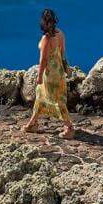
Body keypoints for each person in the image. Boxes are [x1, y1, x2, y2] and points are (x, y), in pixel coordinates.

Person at [23, 8, 75, 138]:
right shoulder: (60, 34)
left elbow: (44, 60)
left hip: (49, 74)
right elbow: (63, 54)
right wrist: (66, 69)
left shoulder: (46, 38)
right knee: (40, 97)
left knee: (57, 101)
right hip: (59, 72)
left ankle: (69, 128)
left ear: (45, 22)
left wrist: (39, 76)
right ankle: (32, 123)